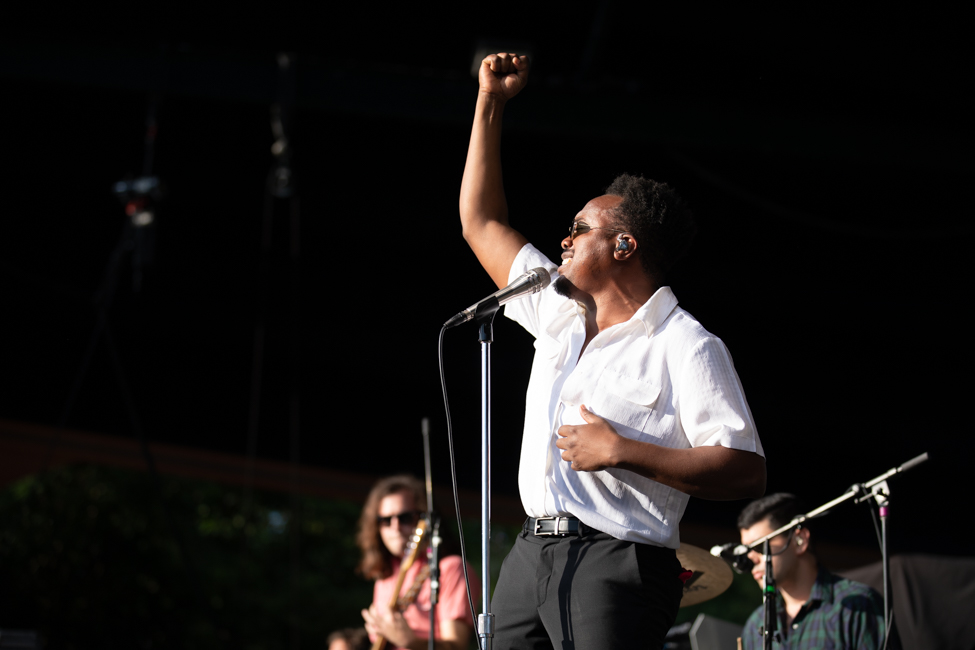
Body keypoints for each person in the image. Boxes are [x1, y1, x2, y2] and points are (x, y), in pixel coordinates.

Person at [459, 52, 767, 650]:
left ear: (624, 244)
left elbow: (746, 468)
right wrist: (490, 101)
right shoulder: (554, 309)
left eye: (579, 228)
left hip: (616, 558)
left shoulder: (686, 344)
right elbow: (481, 220)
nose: (564, 239)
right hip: (530, 552)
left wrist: (624, 451)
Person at [738, 493, 888, 649]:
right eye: (745, 551)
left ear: (800, 540)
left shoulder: (859, 605)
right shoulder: (755, 624)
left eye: (760, 546)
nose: (750, 559)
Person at [357, 475, 476, 650]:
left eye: (405, 518)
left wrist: (411, 642)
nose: (395, 528)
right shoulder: (384, 574)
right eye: (385, 520)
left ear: (424, 521)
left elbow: (457, 646)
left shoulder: (450, 568)